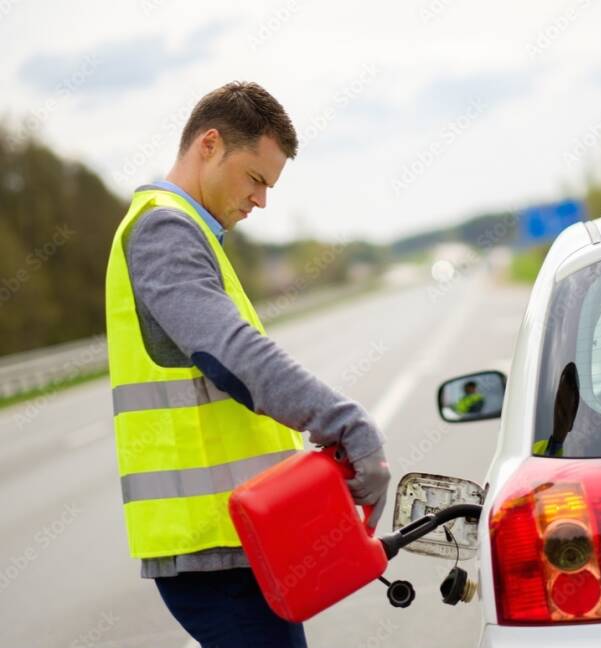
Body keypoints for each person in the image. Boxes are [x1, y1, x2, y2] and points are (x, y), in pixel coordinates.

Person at [104, 81, 391, 648]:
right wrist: (344, 420)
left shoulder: (188, 232)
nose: (262, 201)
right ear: (209, 145)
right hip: (212, 549)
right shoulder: (164, 229)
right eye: (256, 179)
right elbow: (230, 353)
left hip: (239, 540)